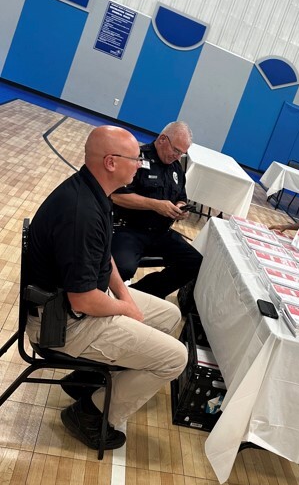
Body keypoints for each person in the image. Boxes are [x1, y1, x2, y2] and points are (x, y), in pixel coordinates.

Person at [26, 126, 188, 450]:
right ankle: (89, 413)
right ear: (112, 162)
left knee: (169, 314)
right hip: (60, 322)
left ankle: (87, 379)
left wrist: (126, 296)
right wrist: (126, 310)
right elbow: (83, 299)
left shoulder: (94, 191)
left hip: (76, 303)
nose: (140, 165)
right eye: (135, 159)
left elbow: (107, 258)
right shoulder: (80, 213)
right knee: (176, 359)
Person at [111, 121, 202, 300]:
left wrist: (181, 208)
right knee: (123, 267)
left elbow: (181, 197)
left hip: (160, 233)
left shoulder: (176, 168)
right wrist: (154, 204)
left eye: (182, 153)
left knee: (194, 262)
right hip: (129, 230)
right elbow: (116, 195)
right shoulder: (137, 158)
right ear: (162, 139)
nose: (178, 157)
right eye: (176, 151)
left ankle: (139, 295)